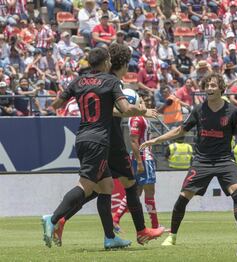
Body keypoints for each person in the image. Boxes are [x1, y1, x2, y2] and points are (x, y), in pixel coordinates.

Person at [50, 44, 164, 248]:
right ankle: (141, 230)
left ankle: (104, 234)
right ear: (122, 64)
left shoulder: (89, 80)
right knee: (128, 183)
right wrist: (140, 111)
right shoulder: (110, 81)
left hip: (94, 137)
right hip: (108, 139)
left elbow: (59, 103)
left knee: (102, 187)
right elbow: (111, 110)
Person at [140, 72, 237, 250]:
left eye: (213, 85)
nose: (209, 89)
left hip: (224, 160)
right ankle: (172, 235)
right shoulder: (198, 110)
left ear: (222, 88)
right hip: (202, 161)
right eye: (207, 86)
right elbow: (180, 130)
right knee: (183, 197)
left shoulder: (233, 111)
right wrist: (155, 140)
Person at [128, 93, 159, 229]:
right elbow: (133, 141)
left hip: (143, 157)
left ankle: (116, 219)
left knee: (137, 191)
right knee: (149, 191)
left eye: (147, 101)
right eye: (142, 101)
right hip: (144, 158)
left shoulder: (142, 118)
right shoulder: (136, 119)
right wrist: (140, 162)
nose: (145, 104)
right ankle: (155, 225)